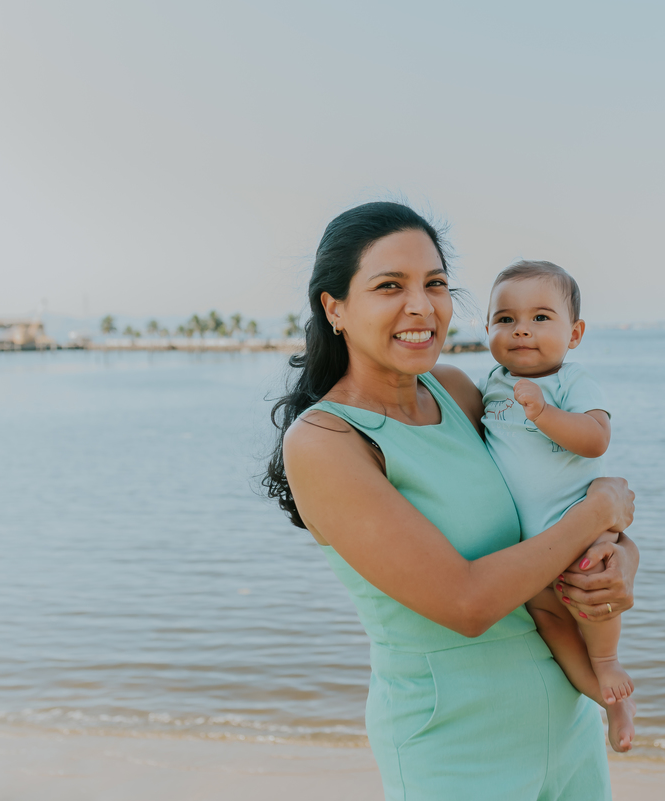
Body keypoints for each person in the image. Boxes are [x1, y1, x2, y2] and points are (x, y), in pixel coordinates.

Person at [263, 202, 640, 801]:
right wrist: (601, 511)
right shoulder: (325, 441)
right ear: (334, 307)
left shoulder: (463, 392)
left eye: (435, 284)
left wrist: (619, 558)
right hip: (456, 747)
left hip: (567, 726)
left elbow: (545, 507)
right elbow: (467, 602)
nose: (423, 306)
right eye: (390, 286)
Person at [481, 260, 635, 753]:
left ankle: (608, 662)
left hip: (575, 527)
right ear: (487, 329)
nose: (521, 328)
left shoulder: (572, 381)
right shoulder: (491, 384)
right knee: (549, 622)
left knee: (592, 596)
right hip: (529, 550)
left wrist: (544, 413)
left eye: (541, 317)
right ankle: (606, 701)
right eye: (504, 319)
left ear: (575, 334)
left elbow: (595, 439)